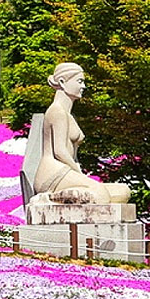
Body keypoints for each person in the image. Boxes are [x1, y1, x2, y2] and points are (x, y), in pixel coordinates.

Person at [33, 63, 131, 204]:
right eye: (80, 81)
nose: (83, 86)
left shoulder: (68, 115)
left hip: (68, 170)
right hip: (53, 174)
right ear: (62, 82)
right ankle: (48, 198)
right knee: (101, 196)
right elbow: (59, 151)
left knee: (122, 192)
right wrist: (79, 172)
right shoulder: (57, 111)